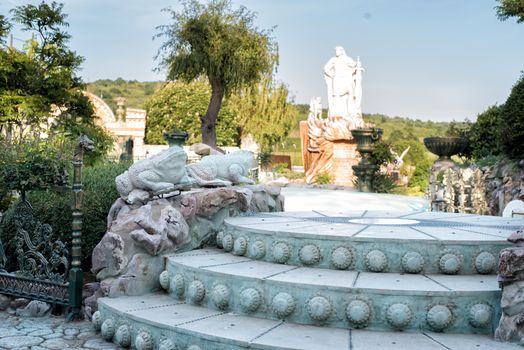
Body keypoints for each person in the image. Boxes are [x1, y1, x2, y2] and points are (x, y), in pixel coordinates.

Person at [323, 46, 363, 127]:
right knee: (336, 96)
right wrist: (331, 74)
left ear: (341, 51)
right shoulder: (333, 60)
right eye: (336, 50)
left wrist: (357, 67)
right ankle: (335, 113)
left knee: (350, 94)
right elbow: (326, 68)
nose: (336, 52)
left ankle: (351, 113)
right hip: (337, 79)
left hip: (345, 79)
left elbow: (354, 65)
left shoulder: (346, 59)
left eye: (338, 50)